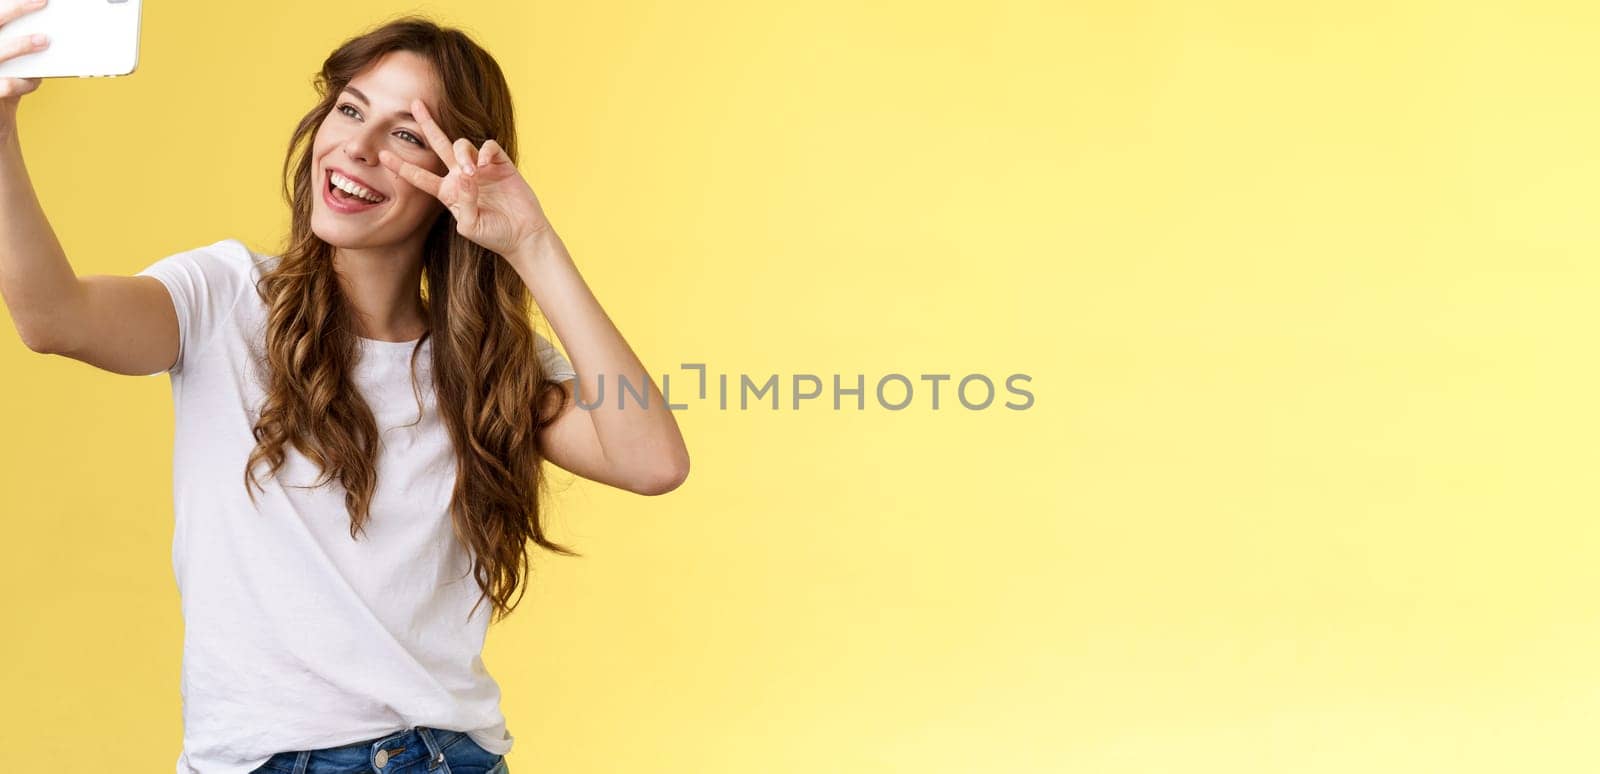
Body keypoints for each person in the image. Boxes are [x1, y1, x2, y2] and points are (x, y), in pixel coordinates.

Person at [0, 9, 690, 774]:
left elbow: (652, 460)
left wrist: (531, 242)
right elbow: (52, 318)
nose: (356, 147)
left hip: (447, 757)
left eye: (405, 134)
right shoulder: (224, 297)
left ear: (453, 174)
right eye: (351, 108)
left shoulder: (489, 360)